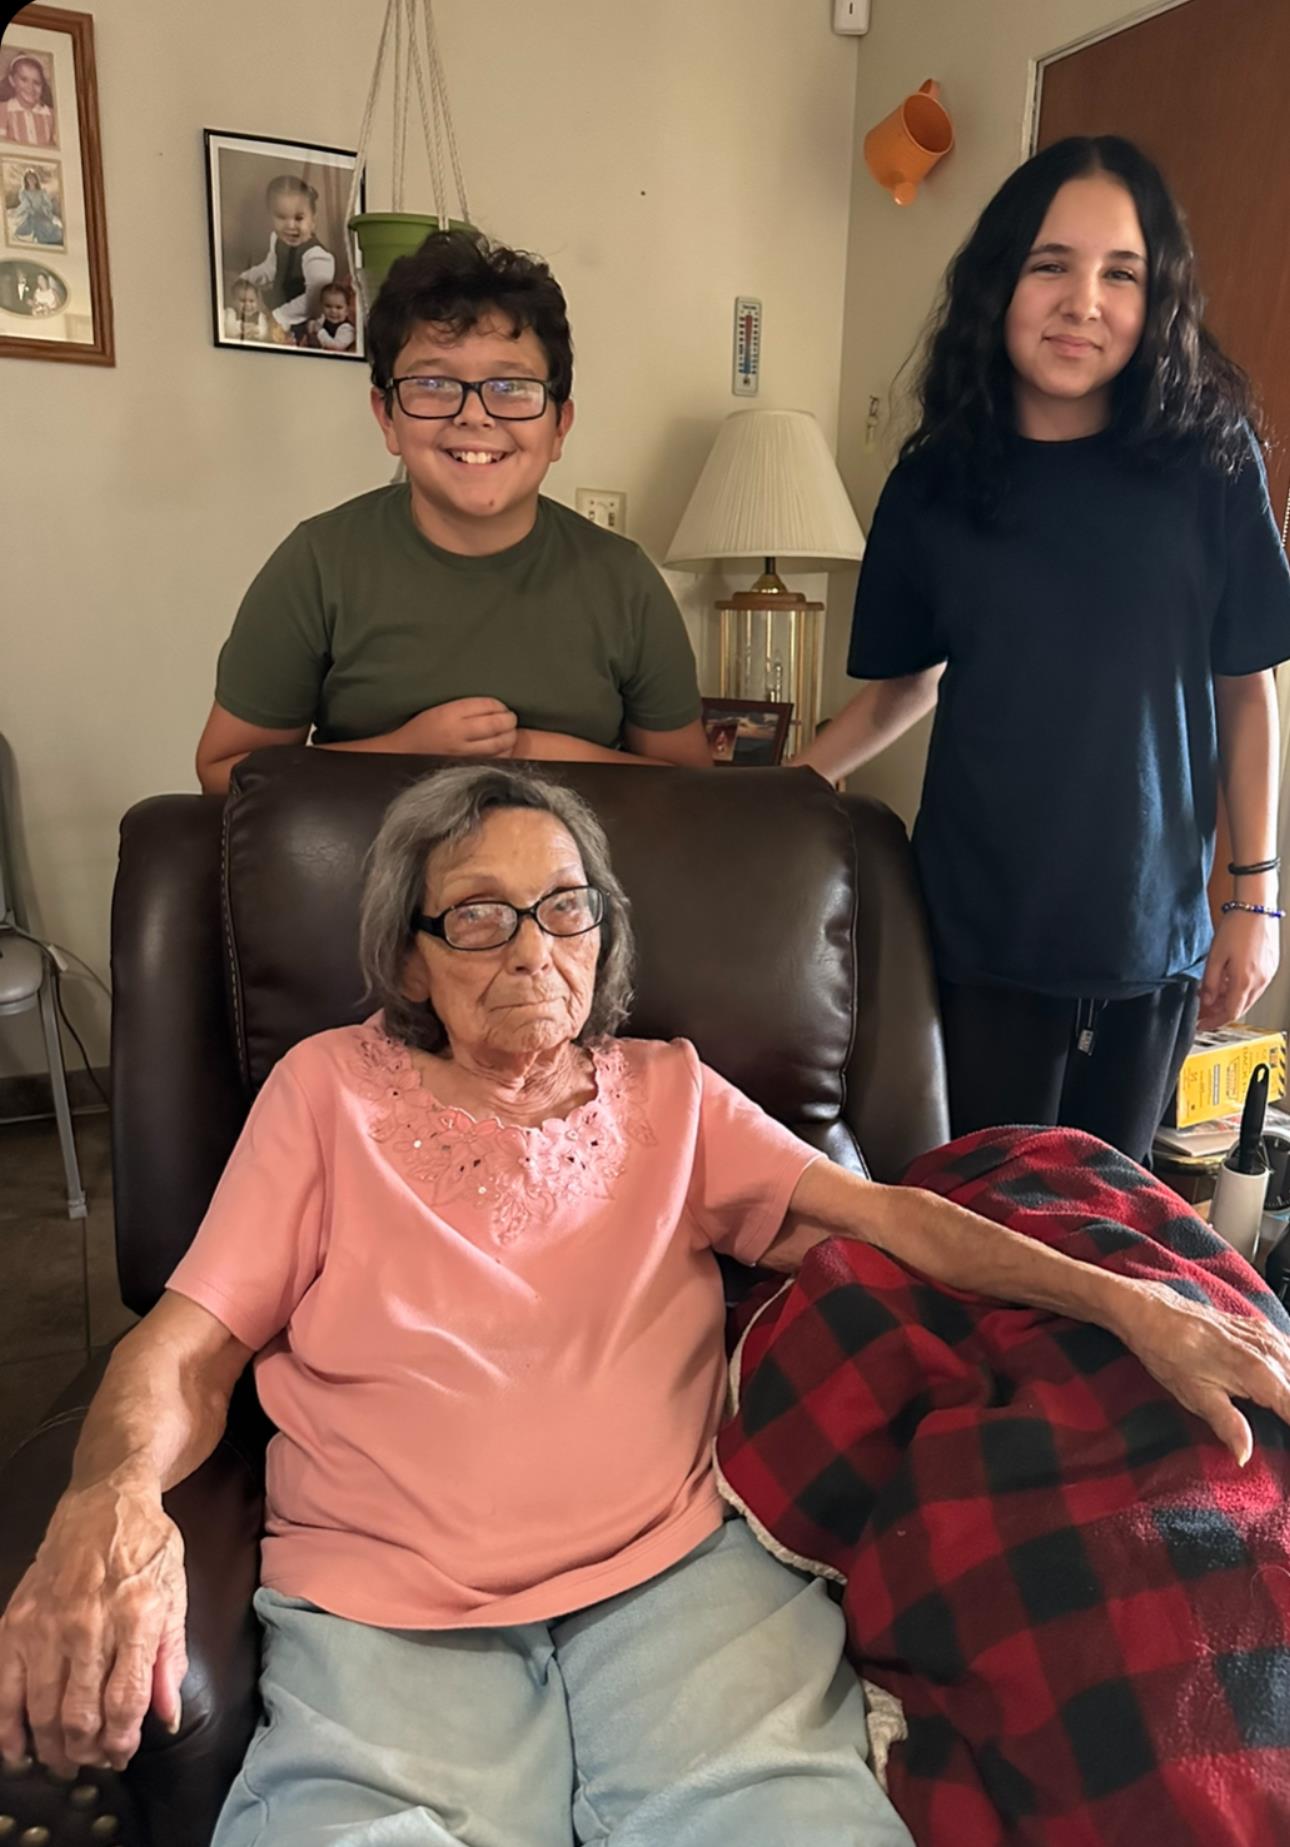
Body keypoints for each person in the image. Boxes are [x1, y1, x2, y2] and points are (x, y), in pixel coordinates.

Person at [3, 764, 1289, 1847]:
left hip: (682, 1584)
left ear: (606, 931)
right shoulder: (326, 1090)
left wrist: (1125, 1302)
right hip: (385, 1604)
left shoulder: (669, 1090)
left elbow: (893, 1213)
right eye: (479, 916)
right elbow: (187, 1339)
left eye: (565, 908)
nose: (533, 949)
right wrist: (106, 1497)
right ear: (409, 951)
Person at [797, 137, 1290, 1164]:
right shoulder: (934, 484)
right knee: (979, 1221)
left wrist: (1253, 896)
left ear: (1157, 300)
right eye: (1051, 264)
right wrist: (783, 782)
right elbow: (906, 684)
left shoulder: (1209, 460)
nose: (1085, 301)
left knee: (1107, 1225)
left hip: (1149, 941)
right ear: (1000, 279)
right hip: (976, 937)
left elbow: (1247, 690)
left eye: (1122, 273)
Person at [196, 229, 711, 793]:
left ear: (559, 425)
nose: (475, 416)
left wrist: (533, 753)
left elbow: (690, 792)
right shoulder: (319, 563)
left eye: (511, 386)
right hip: (367, 876)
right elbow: (223, 772)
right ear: (387, 417)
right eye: (435, 383)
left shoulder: (624, 581)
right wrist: (405, 753)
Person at [238, 174, 336, 344]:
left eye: (299, 218)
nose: (290, 225)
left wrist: (278, 316)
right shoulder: (276, 239)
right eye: (282, 217)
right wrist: (246, 279)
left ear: (313, 220)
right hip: (277, 309)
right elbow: (271, 267)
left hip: (302, 321)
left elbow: (313, 301)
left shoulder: (317, 257)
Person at [0, 53, 55, 148]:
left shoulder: (52, 115)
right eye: (24, 80)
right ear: (12, 80)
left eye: (37, 83)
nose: (30, 88)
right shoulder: (3, 110)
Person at [10, 167, 61, 246]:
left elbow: (47, 203)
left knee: (49, 228)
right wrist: (31, 211)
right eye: (29, 179)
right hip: (31, 214)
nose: (31, 180)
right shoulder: (24, 193)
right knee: (34, 224)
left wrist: (44, 209)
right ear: (26, 180)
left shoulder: (42, 192)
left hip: (42, 213)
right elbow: (26, 204)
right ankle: (37, 236)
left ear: (36, 180)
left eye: (33, 178)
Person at [309, 279, 356, 352]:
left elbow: (336, 346)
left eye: (339, 307)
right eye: (328, 306)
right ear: (321, 306)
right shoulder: (323, 319)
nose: (333, 311)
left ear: (347, 310)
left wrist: (320, 332)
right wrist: (311, 326)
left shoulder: (347, 329)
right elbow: (315, 326)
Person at [223, 277, 270, 343]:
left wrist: (256, 330)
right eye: (243, 300)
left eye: (251, 301)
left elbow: (265, 334)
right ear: (234, 301)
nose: (248, 304)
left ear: (257, 300)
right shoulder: (231, 312)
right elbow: (228, 331)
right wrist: (241, 327)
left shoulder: (260, 316)